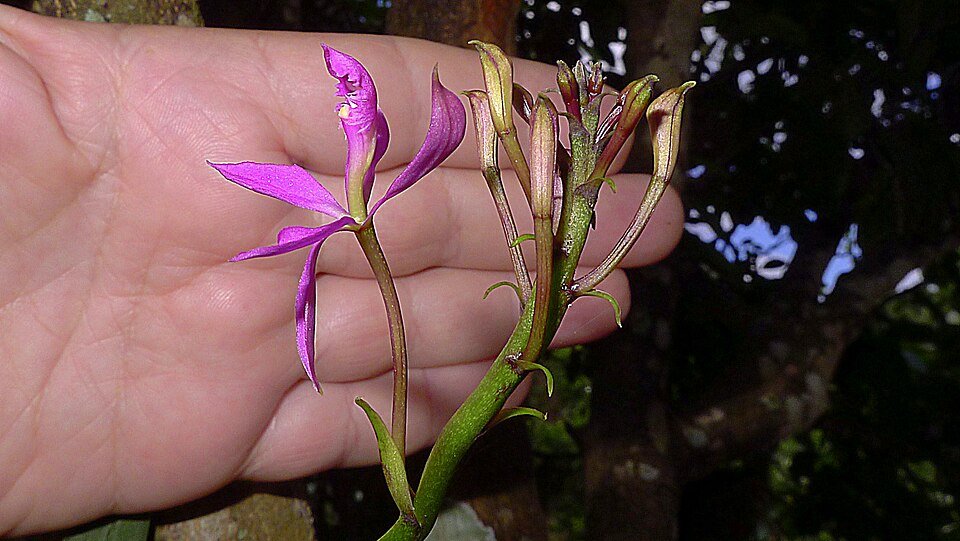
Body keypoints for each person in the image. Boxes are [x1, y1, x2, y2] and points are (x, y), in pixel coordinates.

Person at [0, 5, 682, 536]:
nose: (352, 104)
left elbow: (443, 122)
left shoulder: (429, 147)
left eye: (356, 101)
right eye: (353, 101)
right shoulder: (331, 202)